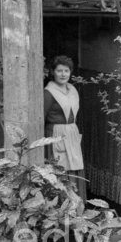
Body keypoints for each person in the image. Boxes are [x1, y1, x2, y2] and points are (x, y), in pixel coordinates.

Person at [44, 55, 86, 200]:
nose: (63, 74)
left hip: (71, 133)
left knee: (74, 166)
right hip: (56, 135)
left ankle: (76, 208)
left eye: (66, 71)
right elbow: (41, 118)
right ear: (53, 72)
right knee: (59, 168)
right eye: (59, 71)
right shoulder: (48, 93)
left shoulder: (72, 90)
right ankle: (60, 207)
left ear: (70, 72)